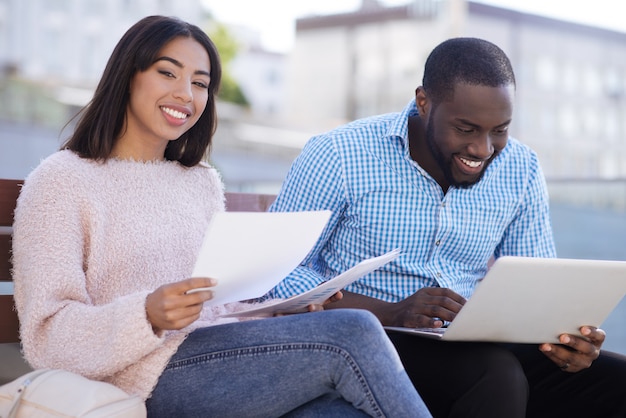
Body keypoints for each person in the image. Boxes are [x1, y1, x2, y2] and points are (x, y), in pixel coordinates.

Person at [11, 15, 433, 418]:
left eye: (200, 83)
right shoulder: (61, 181)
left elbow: (219, 305)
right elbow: (48, 336)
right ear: (128, 74)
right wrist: (146, 315)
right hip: (137, 380)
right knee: (353, 331)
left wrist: (279, 313)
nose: (186, 94)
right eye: (168, 73)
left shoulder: (199, 182)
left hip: (216, 359)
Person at [266, 37, 626, 418]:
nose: (483, 149)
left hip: (470, 341)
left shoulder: (522, 168)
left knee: (616, 380)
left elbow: (537, 283)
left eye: (499, 130)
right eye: (466, 129)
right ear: (424, 102)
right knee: (495, 375)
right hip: (365, 340)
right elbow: (273, 273)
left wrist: (566, 339)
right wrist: (389, 312)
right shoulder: (338, 153)